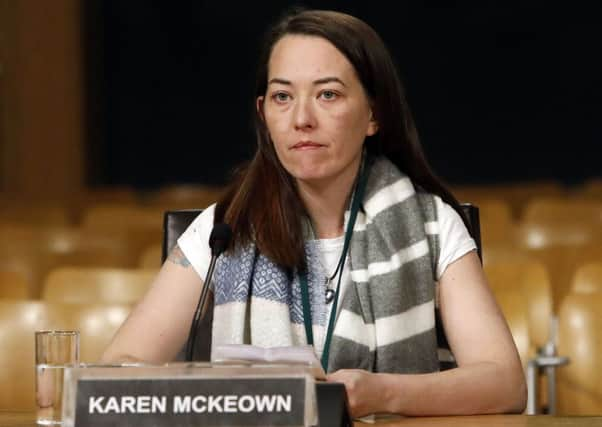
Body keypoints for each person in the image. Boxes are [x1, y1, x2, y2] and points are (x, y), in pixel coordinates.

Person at [102, 9, 527, 417]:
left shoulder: (432, 226)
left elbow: (505, 383)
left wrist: (385, 393)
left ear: (373, 115)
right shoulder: (225, 229)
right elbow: (119, 366)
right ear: (263, 114)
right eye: (283, 97)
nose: (302, 119)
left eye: (328, 94)